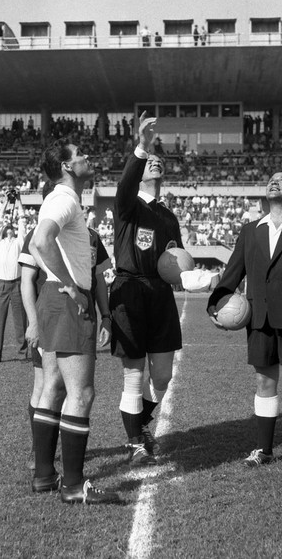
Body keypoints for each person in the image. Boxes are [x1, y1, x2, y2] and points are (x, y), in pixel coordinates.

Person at [29, 139, 119, 504]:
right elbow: (40, 241)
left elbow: (40, 244)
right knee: (81, 392)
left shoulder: (60, 198)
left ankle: (45, 475)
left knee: (53, 386)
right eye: (79, 154)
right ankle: (73, 484)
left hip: (52, 298)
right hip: (66, 298)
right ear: (67, 166)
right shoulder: (64, 198)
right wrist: (72, 285)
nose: (87, 156)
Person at [207, 171, 282, 473]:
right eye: (271, 178)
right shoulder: (250, 230)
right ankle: (264, 449)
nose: (274, 181)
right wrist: (215, 303)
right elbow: (233, 272)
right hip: (260, 318)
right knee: (264, 381)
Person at [20, 183, 113, 472]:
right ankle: (46, 460)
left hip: (63, 305)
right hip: (57, 307)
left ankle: (46, 470)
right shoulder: (49, 221)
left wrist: (105, 315)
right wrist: (34, 321)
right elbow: (26, 279)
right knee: (59, 389)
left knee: (56, 387)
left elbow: (99, 276)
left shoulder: (91, 236)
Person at [109, 112, 183, 466]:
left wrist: (196, 278)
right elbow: (125, 182)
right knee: (134, 373)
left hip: (161, 295)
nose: (154, 161)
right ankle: (136, 442)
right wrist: (140, 145)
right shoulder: (127, 204)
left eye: (157, 159)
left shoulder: (168, 216)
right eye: (148, 159)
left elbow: (177, 261)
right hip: (131, 291)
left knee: (164, 376)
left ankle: (141, 422)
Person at [0, 192, 28, 363]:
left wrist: (19, 202)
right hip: (2, 284)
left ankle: (23, 353)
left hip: (17, 284)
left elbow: (23, 222)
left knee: (20, 321)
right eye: (7, 228)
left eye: (11, 228)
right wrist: (4, 203)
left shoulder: (20, 242)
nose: (10, 229)